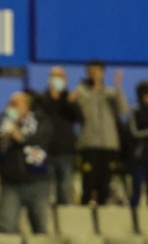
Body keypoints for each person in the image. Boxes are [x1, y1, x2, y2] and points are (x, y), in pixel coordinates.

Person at [0, 92, 52, 234]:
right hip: (11, 183)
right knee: (6, 228)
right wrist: (1, 138)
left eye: (15, 104)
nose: (11, 107)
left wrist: (19, 136)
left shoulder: (40, 121)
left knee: (40, 229)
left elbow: (42, 139)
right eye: (10, 103)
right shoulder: (1, 122)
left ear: (26, 106)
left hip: (37, 183)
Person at [73, 60, 129, 205]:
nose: (95, 75)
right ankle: (84, 219)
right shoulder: (82, 93)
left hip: (108, 145)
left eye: (97, 71)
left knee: (105, 185)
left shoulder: (110, 94)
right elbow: (73, 113)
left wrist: (118, 87)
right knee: (88, 184)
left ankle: (102, 221)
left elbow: (123, 110)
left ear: (103, 73)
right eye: (91, 72)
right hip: (89, 144)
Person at [36, 66, 83, 205]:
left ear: (65, 80)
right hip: (46, 149)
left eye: (60, 77)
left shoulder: (69, 99)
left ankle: (65, 220)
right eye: (54, 76)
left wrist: (69, 102)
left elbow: (79, 119)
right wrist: (53, 97)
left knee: (65, 189)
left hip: (65, 151)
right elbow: (38, 117)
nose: (57, 79)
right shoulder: (41, 99)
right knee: (46, 189)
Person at [129, 81, 148, 207]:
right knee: (136, 189)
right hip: (140, 156)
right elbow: (134, 132)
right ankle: (132, 220)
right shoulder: (136, 111)